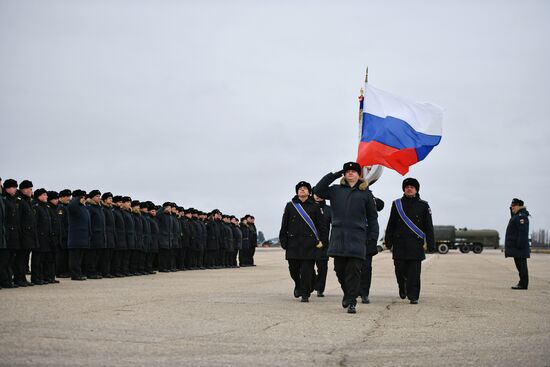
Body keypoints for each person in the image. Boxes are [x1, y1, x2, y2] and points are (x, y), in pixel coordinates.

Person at [315, 162, 379, 314]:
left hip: (357, 238)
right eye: (347, 171)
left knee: (355, 271)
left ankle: (351, 301)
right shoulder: (336, 190)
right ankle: (348, 293)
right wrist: (336, 174)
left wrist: (373, 237)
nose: (350, 173)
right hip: (339, 238)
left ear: (359, 175)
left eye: (354, 171)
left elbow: (372, 218)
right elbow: (318, 189)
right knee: (339, 270)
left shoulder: (366, 193)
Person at [385, 178, 435, 304]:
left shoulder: (424, 205)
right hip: (399, 243)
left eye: (412, 187)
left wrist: (431, 243)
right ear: (404, 189)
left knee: (414, 272)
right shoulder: (397, 204)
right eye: (407, 186)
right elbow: (391, 223)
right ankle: (402, 286)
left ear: (416, 189)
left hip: (415, 244)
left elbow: (429, 226)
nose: (409, 188)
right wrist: (388, 240)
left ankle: (413, 296)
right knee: (399, 270)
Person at [279, 181, 324, 303]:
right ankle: (298, 284)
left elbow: (321, 227)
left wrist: (322, 243)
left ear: (309, 192)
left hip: (309, 244)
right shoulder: (290, 206)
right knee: (293, 269)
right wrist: (283, 240)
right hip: (293, 243)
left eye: (305, 188)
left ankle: (305, 293)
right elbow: (284, 225)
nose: (302, 190)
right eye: (300, 188)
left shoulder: (315, 206)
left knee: (306, 270)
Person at [359, 197, 384, 304]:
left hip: (367, 241)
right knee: (351, 269)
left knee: (366, 269)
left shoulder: (369, 197)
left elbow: (381, 205)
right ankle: (353, 291)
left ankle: (364, 293)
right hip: (353, 239)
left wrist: (371, 199)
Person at [505, 198, 530, 290]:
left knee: (521, 266)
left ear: (519, 206)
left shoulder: (521, 216)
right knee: (519, 266)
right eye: (511, 206)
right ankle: (522, 283)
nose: (512, 208)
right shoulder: (517, 216)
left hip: (520, 247)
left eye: (514, 206)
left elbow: (522, 232)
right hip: (517, 247)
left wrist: (520, 245)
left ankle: (523, 284)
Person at [67, 189, 91, 280]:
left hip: (83, 237)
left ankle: (79, 273)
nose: (84, 199)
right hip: (75, 237)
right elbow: (72, 204)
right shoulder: (74, 206)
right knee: (75, 258)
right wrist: (77, 198)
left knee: (80, 258)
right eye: (82, 197)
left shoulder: (82, 207)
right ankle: (75, 274)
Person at [311, 189, 331, 297]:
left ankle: (320, 288)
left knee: (322, 268)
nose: (318, 196)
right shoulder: (307, 208)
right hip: (308, 242)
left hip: (323, 243)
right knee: (308, 267)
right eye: (316, 194)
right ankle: (313, 282)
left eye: (320, 194)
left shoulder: (329, 209)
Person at [1, 179, 20, 288]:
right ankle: (5, 281)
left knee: (11, 259)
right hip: (7, 233)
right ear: (7, 188)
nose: (15, 189)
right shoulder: (4, 200)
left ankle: (8, 279)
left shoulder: (12, 200)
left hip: (14, 233)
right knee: (5, 259)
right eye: (13, 187)